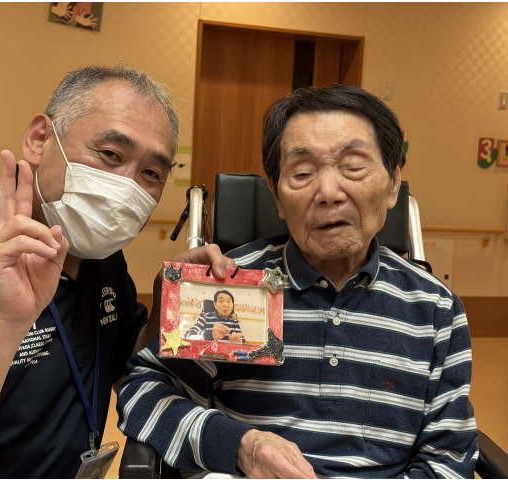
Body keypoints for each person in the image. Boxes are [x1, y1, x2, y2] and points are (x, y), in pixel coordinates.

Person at [0, 66, 235, 478]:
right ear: (40, 139)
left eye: (151, 174)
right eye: (110, 154)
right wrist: (5, 321)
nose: (127, 186)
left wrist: (166, 309)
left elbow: (127, 367)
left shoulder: (102, 260)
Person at [117, 84, 478, 479]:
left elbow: (448, 459)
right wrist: (239, 445)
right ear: (275, 194)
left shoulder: (436, 309)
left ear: (393, 183)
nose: (328, 193)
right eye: (303, 173)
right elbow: (145, 391)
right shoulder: (231, 284)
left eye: (353, 166)